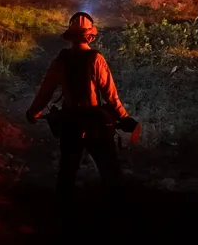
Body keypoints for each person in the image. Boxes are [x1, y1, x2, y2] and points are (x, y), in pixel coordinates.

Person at [26, 11, 139, 203]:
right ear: (90, 35)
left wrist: (34, 111)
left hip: (70, 123)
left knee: (66, 174)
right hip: (97, 125)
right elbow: (110, 95)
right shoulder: (96, 59)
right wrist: (124, 117)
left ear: (70, 36)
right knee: (110, 173)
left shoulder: (61, 60)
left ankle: (62, 216)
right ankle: (118, 216)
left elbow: (46, 91)